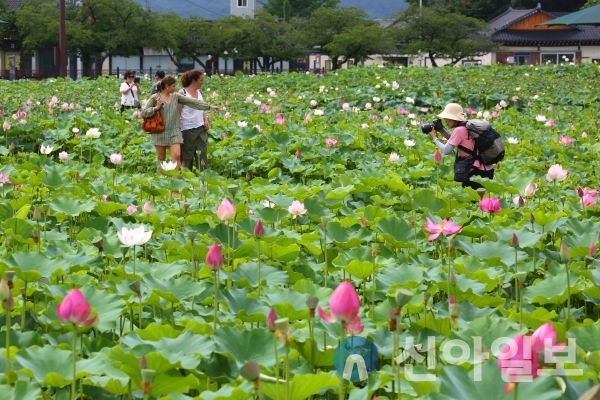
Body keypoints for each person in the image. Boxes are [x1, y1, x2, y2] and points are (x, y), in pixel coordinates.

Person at [141, 75, 219, 172]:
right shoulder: (155, 98)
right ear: (167, 86)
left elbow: (192, 102)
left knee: (177, 156)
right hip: (159, 131)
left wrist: (209, 106)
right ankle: (161, 181)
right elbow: (143, 113)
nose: (175, 88)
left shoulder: (176, 97)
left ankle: (174, 180)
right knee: (161, 158)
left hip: (174, 131)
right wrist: (156, 108)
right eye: (173, 86)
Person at [427, 103, 494, 190]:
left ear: (453, 118)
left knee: (471, 200)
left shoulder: (459, 130)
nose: (445, 120)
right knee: (481, 200)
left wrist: (434, 137)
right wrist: (442, 131)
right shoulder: (467, 125)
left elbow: (446, 150)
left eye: (447, 118)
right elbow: (456, 140)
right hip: (487, 169)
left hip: (476, 171)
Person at [178, 69, 210, 171]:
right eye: (201, 80)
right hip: (187, 128)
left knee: (202, 154)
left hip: (200, 126)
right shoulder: (182, 93)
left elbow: (201, 108)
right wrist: (179, 129)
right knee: (187, 156)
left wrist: (206, 120)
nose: (203, 82)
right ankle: (186, 182)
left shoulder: (199, 92)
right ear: (194, 80)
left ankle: (203, 181)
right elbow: (178, 112)